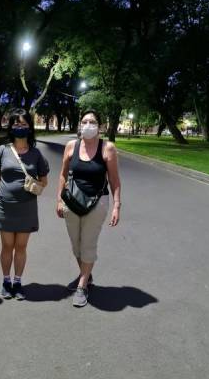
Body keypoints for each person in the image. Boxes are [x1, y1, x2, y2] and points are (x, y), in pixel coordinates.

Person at [56, 109, 121, 307]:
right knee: (76, 245)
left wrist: (117, 205)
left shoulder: (107, 148)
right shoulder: (71, 146)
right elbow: (62, 175)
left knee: (88, 244)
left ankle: (82, 285)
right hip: (72, 202)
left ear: (100, 127)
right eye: (84, 121)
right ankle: (87, 274)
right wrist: (59, 199)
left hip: (97, 203)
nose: (88, 125)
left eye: (92, 122)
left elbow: (115, 181)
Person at [0, 109, 49, 300]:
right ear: (11, 127)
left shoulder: (36, 154)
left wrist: (31, 187)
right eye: (16, 124)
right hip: (5, 206)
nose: (20, 127)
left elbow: (44, 181)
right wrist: (6, 191)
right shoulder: (2, 151)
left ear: (29, 128)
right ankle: (6, 282)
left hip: (27, 207)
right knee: (7, 246)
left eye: (23, 124)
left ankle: (18, 282)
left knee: (21, 247)